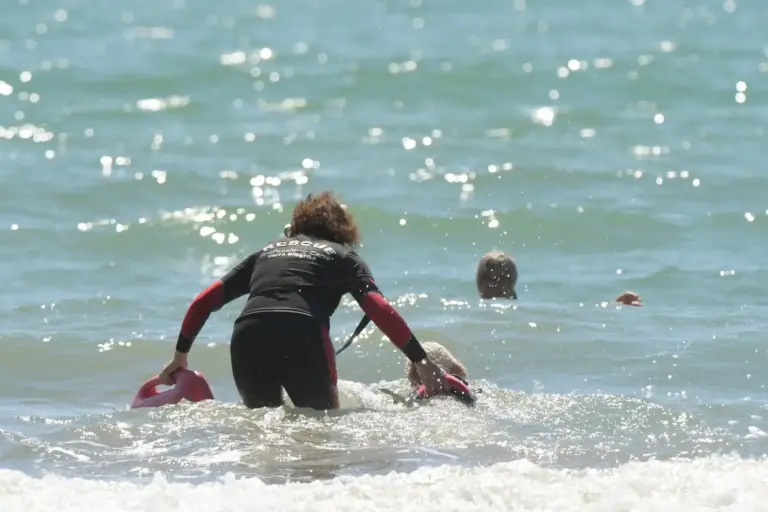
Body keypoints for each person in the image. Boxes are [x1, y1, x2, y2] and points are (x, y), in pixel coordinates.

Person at [158, 191, 452, 410]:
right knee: (320, 432)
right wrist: (422, 361)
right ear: (344, 232)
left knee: (265, 434)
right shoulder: (343, 255)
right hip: (302, 334)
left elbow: (202, 301)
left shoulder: (267, 251)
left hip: (248, 335)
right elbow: (379, 309)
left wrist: (180, 356)